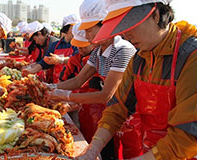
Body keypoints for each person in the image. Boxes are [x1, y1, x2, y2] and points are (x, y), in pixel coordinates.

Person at [77, 0, 197, 159]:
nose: (125, 34)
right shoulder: (140, 58)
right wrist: (93, 148)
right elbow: (117, 109)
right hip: (155, 152)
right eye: (121, 27)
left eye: (130, 24)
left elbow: (188, 137)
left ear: (156, 15)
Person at [48, 0, 136, 159]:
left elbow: (106, 95)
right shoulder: (97, 52)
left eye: (90, 30)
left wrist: (65, 96)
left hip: (125, 120)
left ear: (106, 25)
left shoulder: (123, 50)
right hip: (107, 116)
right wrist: (50, 87)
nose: (87, 36)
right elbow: (78, 80)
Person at [23, 14, 79, 83]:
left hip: (73, 83)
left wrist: (60, 60)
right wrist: (31, 70)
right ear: (66, 28)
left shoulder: (79, 45)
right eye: (74, 27)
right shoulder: (55, 45)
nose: (77, 30)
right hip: (57, 82)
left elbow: (77, 59)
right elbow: (44, 62)